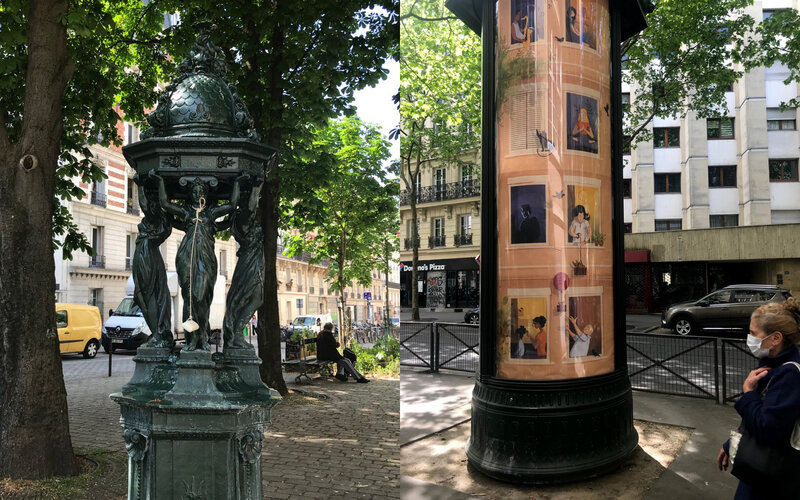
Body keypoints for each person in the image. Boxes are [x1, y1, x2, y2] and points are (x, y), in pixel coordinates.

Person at [716, 299, 800, 499]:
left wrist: (748, 392)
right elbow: (761, 414)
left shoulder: (789, 375)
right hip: (762, 469)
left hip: (773, 476)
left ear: (775, 338)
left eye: (754, 333)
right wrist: (731, 443)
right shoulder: (773, 364)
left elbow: (767, 427)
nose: (749, 338)